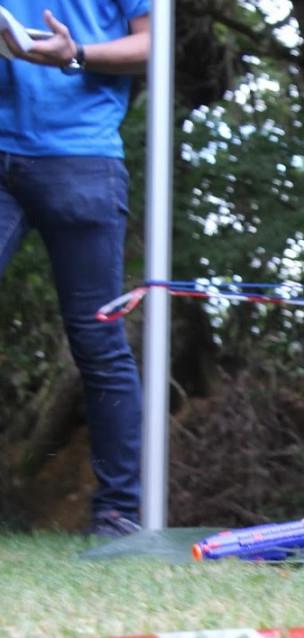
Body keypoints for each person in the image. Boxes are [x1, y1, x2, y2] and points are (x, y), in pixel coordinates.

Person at [1, 1, 150, 537]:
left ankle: (117, 513)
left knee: (97, 340)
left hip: (80, 157)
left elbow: (153, 44)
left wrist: (76, 53)